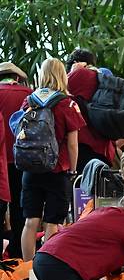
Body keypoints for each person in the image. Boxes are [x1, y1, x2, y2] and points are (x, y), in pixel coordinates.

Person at [20, 58, 86, 261]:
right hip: (57, 170)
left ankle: (27, 270)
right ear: (62, 76)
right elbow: (73, 144)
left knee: (31, 221)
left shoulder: (30, 101)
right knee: (51, 222)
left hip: (31, 168)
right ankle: (45, 268)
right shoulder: (68, 103)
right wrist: (73, 170)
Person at [0, 62, 31, 258]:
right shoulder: (29, 94)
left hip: (3, 161)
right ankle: (20, 250)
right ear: (17, 77)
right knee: (22, 206)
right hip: (26, 158)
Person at [66, 49, 116, 170]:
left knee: (82, 187)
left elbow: (58, 93)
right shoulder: (102, 76)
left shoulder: (79, 75)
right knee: (100, 185)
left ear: (76, 62)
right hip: (104, 145)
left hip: (83, 144)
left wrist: (72, 72)